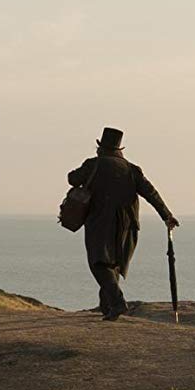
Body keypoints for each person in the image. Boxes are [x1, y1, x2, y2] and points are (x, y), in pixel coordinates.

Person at [67, 127, 177, 321]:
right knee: (114, 263)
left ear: (101, 147)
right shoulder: (132, 169)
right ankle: (107, 306)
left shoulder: (94, 164)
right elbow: (151, 193)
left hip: (100, 221)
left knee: (99, 263)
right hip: (128, 224)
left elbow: (72, 179)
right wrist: (166, 215)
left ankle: (117, 303)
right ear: (119, 149)